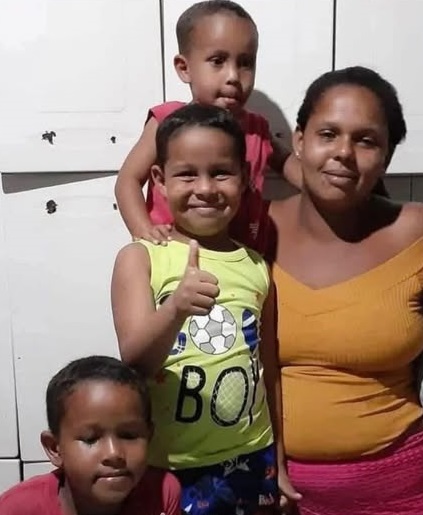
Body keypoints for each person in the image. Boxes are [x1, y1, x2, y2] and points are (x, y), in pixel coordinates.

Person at [112, 103, 300, 515]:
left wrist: (279, 462)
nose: (205, 188)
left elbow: (268, 370)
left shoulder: (257, 265)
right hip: (170, 464)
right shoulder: (141, 258)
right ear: (159, 181)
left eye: (220, 172)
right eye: (186, 174)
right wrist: (175, 308)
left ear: (244, 178)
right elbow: (135, 363)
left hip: (252, 457)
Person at [269, 66, 423, 515]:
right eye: (328, 133)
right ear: (300, 141)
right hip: (270, 494)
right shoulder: (253, 228)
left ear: (387, 157)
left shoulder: (415, 233)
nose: (343, 152)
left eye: (366, 140)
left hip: (402, 490)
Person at [114, 0, 300, 254]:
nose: (233, 76)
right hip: (172, 255)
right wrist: (144, 232)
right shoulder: (168, 121)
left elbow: (291, 165)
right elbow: (128, 180)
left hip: (238, 262)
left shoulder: (257, 130)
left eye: (245, 63)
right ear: (184, 68)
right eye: (217, 61)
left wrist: (334, 191)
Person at [0, 355, 181, 515]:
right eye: (90, 439)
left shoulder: (162, 494)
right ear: (55, 448)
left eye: (129, 435)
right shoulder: (17, 509)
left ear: (149, 437)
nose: (113, 453)